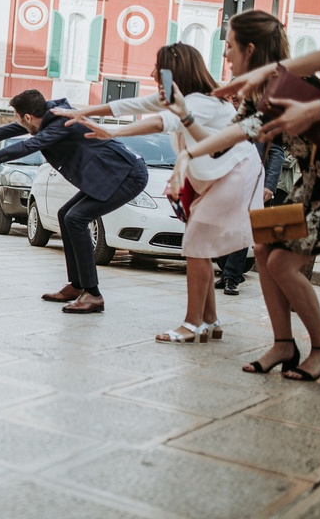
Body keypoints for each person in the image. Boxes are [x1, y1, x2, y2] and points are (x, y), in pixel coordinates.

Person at [54, 43, 261, 341]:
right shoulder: (184, 98)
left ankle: (192, 324)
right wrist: (82, 111)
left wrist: (113, 132)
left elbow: (161, 122)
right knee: (198, 245)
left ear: (174, 73)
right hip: (217, 176)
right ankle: (210, 321)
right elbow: (132, 106)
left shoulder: (201, 102)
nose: (152, 74)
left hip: (233, 174)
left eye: (158, 69)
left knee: (195, 245)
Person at [170, 10, 320, 380]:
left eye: (228, 46)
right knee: (262, 247)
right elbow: (224, 142)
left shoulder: (294, 83)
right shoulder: (255, 94)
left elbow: (245, 132)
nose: (225, 54)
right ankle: (283, 344)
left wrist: (190, 153)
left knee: (282, 263)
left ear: (249, 48)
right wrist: (186, 135)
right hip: (309, 186)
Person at [0, 89, 148, 313]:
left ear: (28, 117)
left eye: (18, 117)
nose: (18, 123)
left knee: (76, 218)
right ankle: (78, 285)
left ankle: (93, 294)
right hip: (110, 174)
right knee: (66, 216)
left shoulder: (60, 123)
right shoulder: (48, 113)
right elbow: (12, 129)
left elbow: (27, 146)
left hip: (126, 175)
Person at [214, 141, 284, 296]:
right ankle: (228, 272)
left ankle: (232, 278)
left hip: (251, 183)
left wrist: (270, 185)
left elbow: (276, 152)